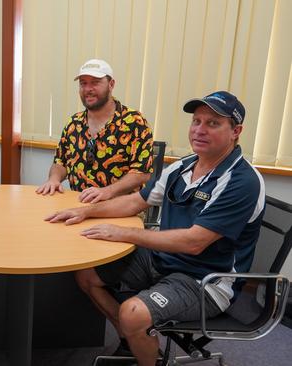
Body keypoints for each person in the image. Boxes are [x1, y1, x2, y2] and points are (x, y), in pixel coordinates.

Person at [46, 91, 265, 366]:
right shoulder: (184, 167)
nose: (199, 130)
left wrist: (124, 233)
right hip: (164, 260)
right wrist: (83, 212)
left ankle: (138, 338)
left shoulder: (242, 181)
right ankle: (133, 341)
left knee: (133, 312)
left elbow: (194, 242)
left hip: (205, 280)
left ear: (236, 131)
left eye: (212, 123)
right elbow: (136, 202)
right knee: (87, 274)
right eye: (196, 121)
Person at [36, 59, 154, 203]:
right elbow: (60, 162)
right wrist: (53, 179)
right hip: (78, 205)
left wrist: (107, 192)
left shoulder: (135, 122)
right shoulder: (74, 123)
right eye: (83, 83)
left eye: (95, 82)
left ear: (111, 84)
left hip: (121, 208)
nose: (87, 89)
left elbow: (142, 173)